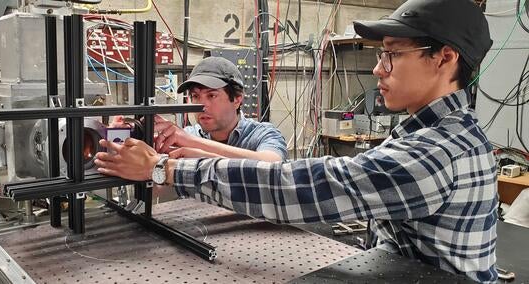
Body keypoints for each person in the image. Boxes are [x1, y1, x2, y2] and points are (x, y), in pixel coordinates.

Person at [95, 0, 497, 281]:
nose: (378, 69)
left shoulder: (437, 152)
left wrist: (164, 169)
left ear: (445, 58)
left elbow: (300, 186)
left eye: (392, 55)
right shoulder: (437, 131)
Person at [153, 56, 287, 162]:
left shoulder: (262, 134)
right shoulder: (188, 135)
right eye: (195, 96)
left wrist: (193, 144)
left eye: (211, 95)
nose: (202, 106)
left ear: (237, 99)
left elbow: (271, 166)